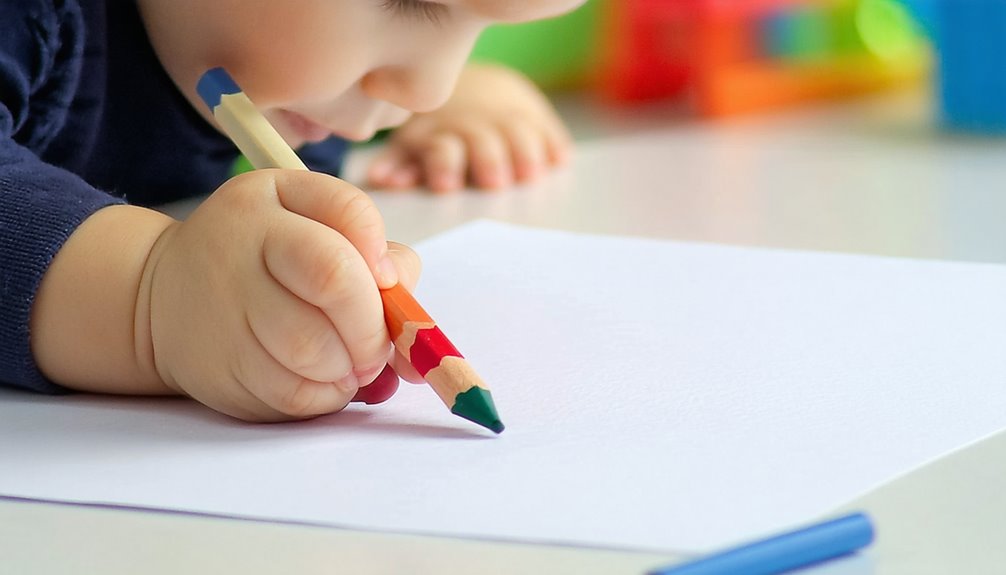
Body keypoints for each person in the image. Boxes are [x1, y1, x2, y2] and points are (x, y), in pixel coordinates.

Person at [0, 0, 583, 422]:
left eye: (477, 33)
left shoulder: (291, 77)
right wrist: (151, 300)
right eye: (409, 2)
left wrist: (461, 100)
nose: (426, 90)